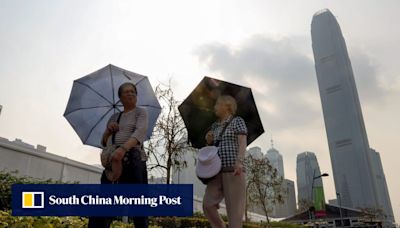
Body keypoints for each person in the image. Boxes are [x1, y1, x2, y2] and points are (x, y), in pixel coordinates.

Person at [88, 82, 149, 228]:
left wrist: (122, 149)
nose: (130, 94)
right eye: (126, 92)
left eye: (133, 91)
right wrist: (108, 131)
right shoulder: (114, 117)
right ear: (120, 97)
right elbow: (104, 143)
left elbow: (140, 132)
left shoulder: (141, 112)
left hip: (132, 160)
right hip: (112, 163)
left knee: (138, 206)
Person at [203, 95, 247, 228]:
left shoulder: (237, 121)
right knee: (208, 205)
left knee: (234, 214)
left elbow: (242, 142)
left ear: (226, 106)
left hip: (233, 170)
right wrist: (208, 141)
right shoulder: (214, 126)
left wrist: (239, 162)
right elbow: (210, 150)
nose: (215, 107)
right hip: (215, 172)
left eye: (217, 104)